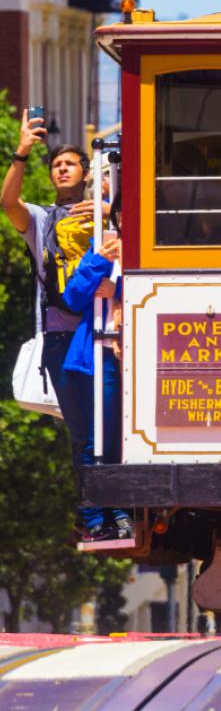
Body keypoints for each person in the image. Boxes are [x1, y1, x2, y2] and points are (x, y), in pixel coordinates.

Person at [0, 111, 107, 533]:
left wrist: (108, 209)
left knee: (110, 430)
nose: (61, 169)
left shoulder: (105, 212)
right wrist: (21, 152)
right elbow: (8, 203)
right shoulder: (43, 220)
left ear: (85, 173)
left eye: (69, 164)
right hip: (63, 339)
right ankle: (92, 515)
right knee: (82, 431)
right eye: (55, 165)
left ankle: (115, 512)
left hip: (108, 333)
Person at [60, 206, 131, 541]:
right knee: (95, 440)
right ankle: (97, 518)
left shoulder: (148, 248)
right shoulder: (101, 245)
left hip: (127, 357)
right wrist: (100, 258)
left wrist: (115, 292)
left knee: (118, 440)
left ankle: (117, 512)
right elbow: (73, 297)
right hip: (92, 357)